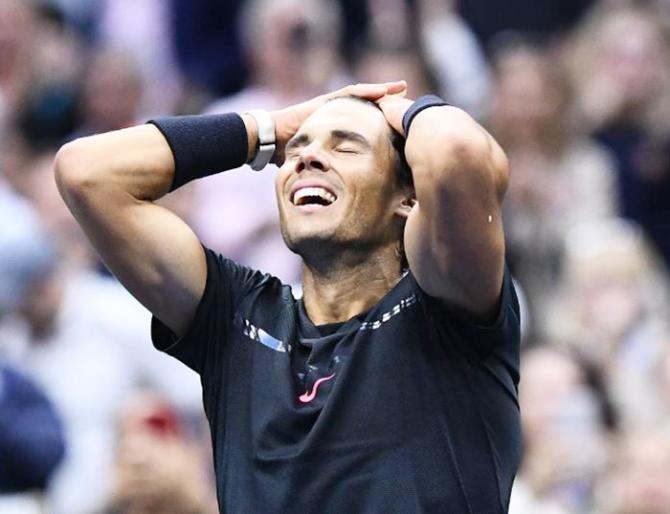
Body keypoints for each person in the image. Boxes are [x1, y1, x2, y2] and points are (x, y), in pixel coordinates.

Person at [55, 81, 521, 513]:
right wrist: (268, 130)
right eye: (297, 149)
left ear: (406, 198)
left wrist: (392, 108)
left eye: (345, 146)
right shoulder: (236, 317)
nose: (306, 159)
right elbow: (87, 173)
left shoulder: (444, 305)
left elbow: (459, 152)